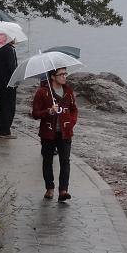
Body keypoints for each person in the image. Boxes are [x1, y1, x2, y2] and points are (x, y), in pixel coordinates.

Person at [31, 67, 78, 202]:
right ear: (53, 76)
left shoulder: (68, 91)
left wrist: (71, 122)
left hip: (65, 133)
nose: (64, 77)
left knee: (65, 161)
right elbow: (35, 113)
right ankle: (49, 188)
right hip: (48, 133)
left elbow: (74, 109)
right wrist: (49, 111)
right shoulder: (42, 92)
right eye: (61, 74)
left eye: (65, 73)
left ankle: (63, 190)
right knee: (47, 161)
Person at [0, 39, 18, 138]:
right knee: (8, 107)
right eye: (14, 37)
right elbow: (12, 68)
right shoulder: (9, 50)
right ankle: (5, 131)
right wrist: (17, 80)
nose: (15, 39)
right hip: (8, 83)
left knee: (0, 106)